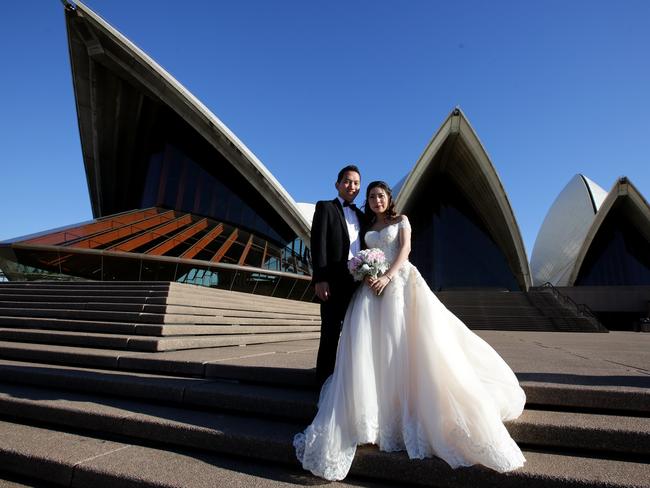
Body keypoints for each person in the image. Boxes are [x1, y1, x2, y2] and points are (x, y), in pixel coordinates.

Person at [295, 181, 526, 481]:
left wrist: (388, 276)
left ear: (389, 198)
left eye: (381, 196)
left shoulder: (401, 220)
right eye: (372, 197)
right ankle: (372, 417)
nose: (376, 200)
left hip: (399, 284)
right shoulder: (368, 224)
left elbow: (405, 249)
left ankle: (404, 409)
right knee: (372, 350)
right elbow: (359, 251)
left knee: (403, 344)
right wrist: (365, 272)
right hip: (370, 291)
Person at [311, 165, 368, 386]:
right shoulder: (325, 207)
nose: (351, 186)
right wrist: (320, 278)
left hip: (357, 282)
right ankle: (322, 385)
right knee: (330, 334)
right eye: (347, 181)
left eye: (355, 183)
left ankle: (348, 385)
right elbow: (318, 244)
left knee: (357, 334)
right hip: (332, 281)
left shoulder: (362, 217)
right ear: (337, 184)